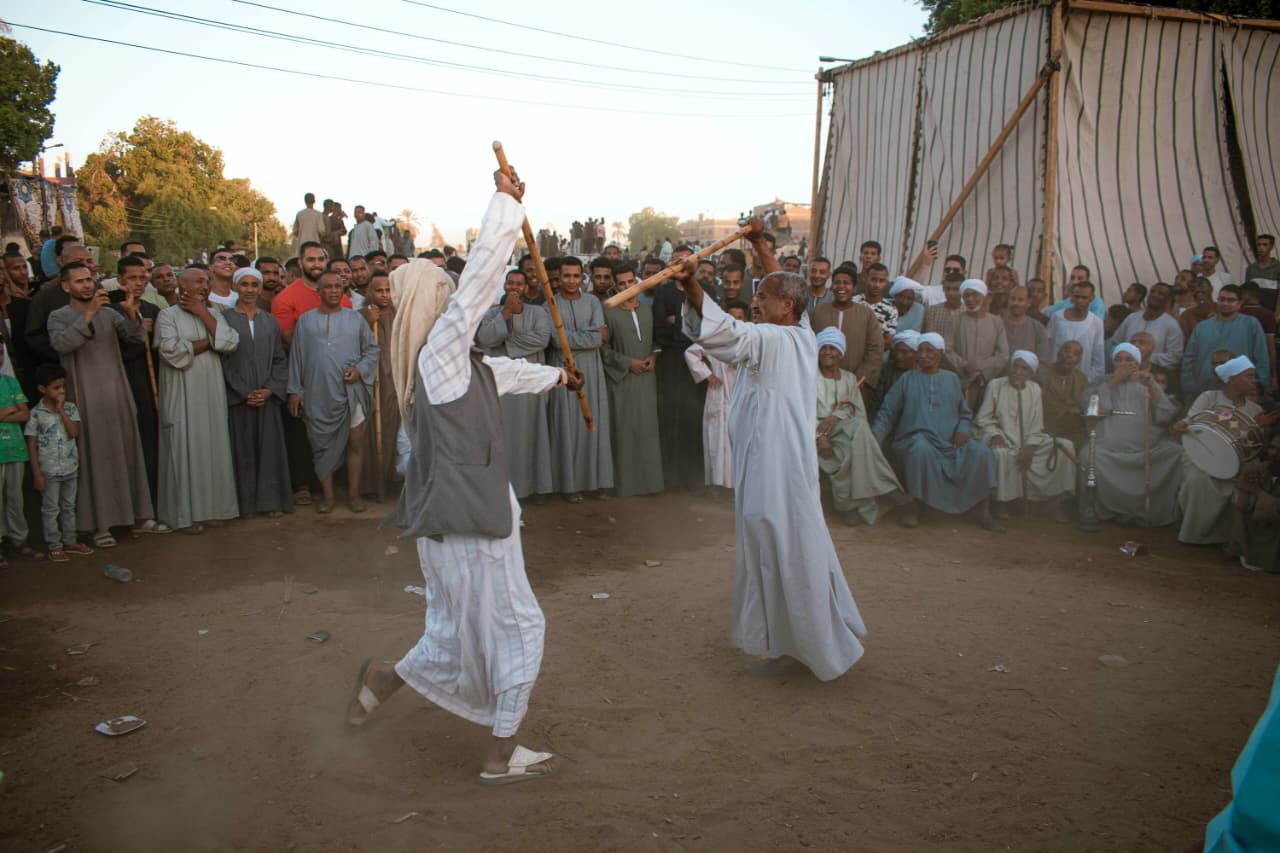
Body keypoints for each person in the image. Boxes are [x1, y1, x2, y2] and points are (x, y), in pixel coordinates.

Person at [348, 169, 585, 785]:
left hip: (448, 526)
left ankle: (381, 681)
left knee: (453, 631)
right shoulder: (440, 354)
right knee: (521, 627)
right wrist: (506, 205)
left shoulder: (448, 365)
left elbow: (504, 373)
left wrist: (558, 377)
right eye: (446, 292)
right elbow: (481, 280)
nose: (456, 298)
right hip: (473, 524)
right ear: (432, 303)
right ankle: (499, 757)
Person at [673, 221, 868, 681]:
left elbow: (727, 334)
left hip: (776, 474)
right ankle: (785, 643)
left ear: (788, 307)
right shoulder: (796, 330)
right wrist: (761, 245)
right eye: (756, 295)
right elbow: (782, 286)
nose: (755, 301)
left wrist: (692, 284)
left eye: (763, 297)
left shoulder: (776, 339)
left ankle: (813, 649)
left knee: (782, 550)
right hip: (767, 469)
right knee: (773, 549)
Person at [47, 262, 170, 547]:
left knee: (127, 452)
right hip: (85, 397)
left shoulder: (109, 314)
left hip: (117, 393)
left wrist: (131, 314)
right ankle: (98, 525)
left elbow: (135, 338)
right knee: (94, 458)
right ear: (66, 286)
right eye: (79, 281)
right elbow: (61, 344)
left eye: (89, 280)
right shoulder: (58, 316)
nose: (86, 285)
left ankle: (138, 517)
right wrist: (88, 315)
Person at [871, 332, 1002, 531]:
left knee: (981, 453)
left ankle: (983, 512)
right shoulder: (907, 379)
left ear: (940, 354)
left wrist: (962, 430)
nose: (923, 355)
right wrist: (874, 437)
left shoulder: (952, 379)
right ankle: (913, 508)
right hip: (916, 438)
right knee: (919, 451)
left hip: (950, 440)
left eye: (929, 351)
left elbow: (965, 414)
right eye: (920, 351)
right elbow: (887, 412)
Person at [156, 268, 240, 534]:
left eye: (207, 281)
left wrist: (203, 314)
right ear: (182, 285)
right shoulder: (167, 316)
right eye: (199, 281)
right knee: (183, 447)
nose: (205, 286)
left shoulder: (214, 314)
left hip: (211, 392)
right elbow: (171, 352)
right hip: (181, 392)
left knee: (213, 445)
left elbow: (230, 343)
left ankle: (214, 510)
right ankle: (186, 516)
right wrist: (210, 341)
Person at [287, 271, 379, 514]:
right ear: (318, 291)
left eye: (338, 286)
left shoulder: (355, 319)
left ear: (343, 289)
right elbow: (296, 358)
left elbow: (372, 351)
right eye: (327, 287)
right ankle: (328, 497)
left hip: (350, 392)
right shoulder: (305, 321)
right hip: (316, 392)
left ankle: (354, 495)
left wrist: (359, 370)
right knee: (321, 445)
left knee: (355, 441)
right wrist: (294, 390)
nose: (334, 291)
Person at [475, 269, 554, 501]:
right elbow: (485, 338)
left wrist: (505, 342)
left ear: (526, 288)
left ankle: (534, 488)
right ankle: (502, 490)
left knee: (531, 435)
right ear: (504, 286)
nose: (514, 288)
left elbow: (541, 339)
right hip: (502, 385)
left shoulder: (538, 313)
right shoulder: (492, 313)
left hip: (530, 383)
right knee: (503, 436)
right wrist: (506, 312)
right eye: (510, 283)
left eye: (519, 284)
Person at [1085, 343, 1183, 526]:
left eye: (1128, 359)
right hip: (1109, 448)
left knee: (1177, 454)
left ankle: (1153, 513)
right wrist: (1114, 381)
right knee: (1087, 455)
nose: (1123, 364)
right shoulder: (1102, 381)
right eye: (1118, 360)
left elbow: (1165, 415)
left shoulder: (1147, 381)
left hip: (1146, 448)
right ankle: (1099, 511)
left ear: (1137, 363)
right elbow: (1091, 408)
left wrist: (1152, 385)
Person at [221, 268, 293, 518]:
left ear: (260, 288)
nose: (250, 290)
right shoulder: (225, 319)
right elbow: (224, 361)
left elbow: (279, 359)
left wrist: (270, 390)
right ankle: (245, 505)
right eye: (245, 284)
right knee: (242, 450)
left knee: (269, 450)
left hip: (266, 396)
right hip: (239, 398)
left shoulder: (269, 321)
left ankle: (270, 502)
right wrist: (244, 391)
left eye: (254, 285)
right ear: (236, 287)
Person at [815, 327, 904, 526]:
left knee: (855, 436)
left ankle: (850, 506)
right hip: (814, 433)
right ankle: (886, 488)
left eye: (833, 348)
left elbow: (858, 413)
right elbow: (802, 413)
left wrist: (837, 416)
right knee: (853, 446)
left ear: (840, 353)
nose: (828, 352)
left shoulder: (849, 378)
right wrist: (821, 436)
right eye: (823, 348)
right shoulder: (808, 378)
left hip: (845, 430)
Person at [974, 351, 1075, 521]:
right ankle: (1002, 502)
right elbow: (983, 418)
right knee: (1001, 453)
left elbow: (1037, 425)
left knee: (1064, 446)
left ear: (1031, 374)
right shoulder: (995, 385)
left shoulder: (1035, 389)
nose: (1018, 372)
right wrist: (994, 435)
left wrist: (1030, 446)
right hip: (1003, 438)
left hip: (1030, 440)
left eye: (1024, 369)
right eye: (1015, 366)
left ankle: (1053, 503)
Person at [1173, 355, 1263, 545]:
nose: (1254, 380)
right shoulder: (1209, 397)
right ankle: (1194, 536)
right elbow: (1191, 421)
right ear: (1232, 379)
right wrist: (1182, 424)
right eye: (1248, 376)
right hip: (1200, 458)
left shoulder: (1255, 410)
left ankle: (1228, 540)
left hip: (1238, 466)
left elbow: (1255, 445)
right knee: (1197, 481)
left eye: (1254, 376)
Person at [547, 257, 613, 501]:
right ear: (559, 277)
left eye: (576, 276)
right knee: (567, 426)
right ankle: (569, 486)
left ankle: (596, 482)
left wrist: (575, 337)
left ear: (583, 277)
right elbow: (557, 341)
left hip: (591, 371)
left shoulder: (593, 301)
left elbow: (602, 338)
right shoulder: (549, 304)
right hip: (563, 371)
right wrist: (590, 335)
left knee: (592, 424)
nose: (571, 281)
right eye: (566, 276)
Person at [107, 256, 162, 504]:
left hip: (151, 384)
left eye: (142, 278)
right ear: (120, 280)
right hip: (125, 382)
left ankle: (154, 501)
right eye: (132, 278)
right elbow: (116, 352)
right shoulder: (111, 311)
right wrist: (138, 331)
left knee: (152, 440)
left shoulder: (152, 310)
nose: (138, 283)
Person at [24, 364, 91, 562]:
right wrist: (37, 474)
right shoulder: (36, 413)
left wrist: (61, 410)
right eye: (56, 387)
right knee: (51, 509)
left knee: (69, 506)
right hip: (49, 470)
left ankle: (70, 541)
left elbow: (74, 432)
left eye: (63, 386)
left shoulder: (70, 408)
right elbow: (32, 445)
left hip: (70, 467)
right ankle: (54, 546)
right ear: (42, 389)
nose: (61, 391)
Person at [602, 287, 663, 497]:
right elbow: (603, 348)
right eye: (622, 283)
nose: (627, 287)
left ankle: (651, 485)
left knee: (648, 430)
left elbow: (657, 340)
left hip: (647, 378)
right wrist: (627, 363)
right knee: (624, 430)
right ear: (615, 285)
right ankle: (626, 486)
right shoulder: (608, 312)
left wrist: (654, 357)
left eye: (631, 282)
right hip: (622, 378)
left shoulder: (647, 310)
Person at [650, 263, 706, 492]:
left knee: (695, 420)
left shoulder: (705, 290)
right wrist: (684, 326)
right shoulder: (663, 293)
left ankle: (695, 479)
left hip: (699, 365)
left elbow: (707, 328)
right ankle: (671, 478)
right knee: (671, 418)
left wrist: (678, 322)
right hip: (672, 364)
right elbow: (660, 330)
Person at [683, 301, 745, 491]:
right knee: (718, 440)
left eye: (740, 317)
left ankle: (738, 485)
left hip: (742, 396)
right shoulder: (715, 338)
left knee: (740, 441)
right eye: (732, 317)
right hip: (720, 395)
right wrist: (707, 375)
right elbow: (691, 352)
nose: (735, 321)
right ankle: (717, 485)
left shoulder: (750, 339)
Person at [354, 270, 401, 500]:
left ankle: (389, 479)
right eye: (379, 290)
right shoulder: (359, 316)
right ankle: (371, 484)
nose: (384, 295)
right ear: (369, 292)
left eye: (388, 290)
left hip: (393, 383)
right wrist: (367, 321)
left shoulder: (398, 313)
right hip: (369, 383)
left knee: (391, 429)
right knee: (368, 433)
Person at [1182, 284, 1270, 399]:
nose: (1225, 303)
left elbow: (1261, 358)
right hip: (1204, 390)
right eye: (1222, 299)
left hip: (1240, 392)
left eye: (1231, 300)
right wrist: (1189, 387)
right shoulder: (1202, 327)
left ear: (1239, 303)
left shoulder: (1250, 324)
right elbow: (1189, 359)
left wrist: (1260, 388)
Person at [809, 264, 883, 387]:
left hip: (855, 383)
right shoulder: (818, 312)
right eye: (837, 282)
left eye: (846, 283)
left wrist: (862, 377)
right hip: (820, 381)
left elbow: (875, 348)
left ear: (854, 288)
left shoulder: (866, 314)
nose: (841, 286)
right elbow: (807, 343)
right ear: (832, 286)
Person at [946, 279, 1010, 410]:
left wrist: (980, 368)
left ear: (985, 296)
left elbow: (1003, 354)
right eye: (966, 296)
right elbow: (947, 350)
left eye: (975, 294)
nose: (970, 299)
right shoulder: (955, 320)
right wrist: (964, 366)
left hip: (987, 382)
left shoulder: (996, 322)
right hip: (960, 382)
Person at [1109, 282, 1183, 372]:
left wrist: (1144, 358)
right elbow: (1115, 343)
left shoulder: (1172, 325)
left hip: (1153, 374)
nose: (1155, 295)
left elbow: (1174, 357)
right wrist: (1123, 358)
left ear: (1168, 300)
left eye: (1160, 294)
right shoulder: (1132, 318)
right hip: (1124, 372)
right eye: (1152, 292)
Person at [0, 344, 30, 564]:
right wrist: (11, 410)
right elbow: (17, 411)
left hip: (15, 448)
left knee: (15, 497)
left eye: (0, 353)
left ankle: (19, 539)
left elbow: (25, 414)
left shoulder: (10, 382)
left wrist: (4, 414)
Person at [1047, 281, 1107, 382]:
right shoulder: (1057, 317)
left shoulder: (1096, 323)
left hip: (1082, 381)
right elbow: (1048, 347)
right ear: (1072, 297)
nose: (1079, 300)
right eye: (1077, 296)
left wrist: (1086, 381)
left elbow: (1098, 356)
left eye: (1084, 297)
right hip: (1055, 379)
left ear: (1091, 298)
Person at [1042, 340, 1089, 450]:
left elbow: (1085, 407)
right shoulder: (1043, 374)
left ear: (1079, 360)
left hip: (1075, 433)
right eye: (1066, 351)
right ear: (1058, 352)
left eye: (1075, 354)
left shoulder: (1082, 379)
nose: (1069, 355)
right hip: (1047, 431)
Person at [1002, 285, 1051, 370]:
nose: (1015, 303)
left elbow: (1043, 361)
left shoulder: (1038, 328)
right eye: (1012, 299)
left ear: (1028, 302)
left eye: (1020, 300)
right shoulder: (997, 324)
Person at [853, 262, 897, 346]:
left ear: (886, 282)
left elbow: (887, 341)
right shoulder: (853, 303)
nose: (877, 285)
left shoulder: (891, 310)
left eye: (881, 281)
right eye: (873, 279)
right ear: (866, 279)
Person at [922, 264, 965, 336]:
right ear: (943, 289)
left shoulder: (967, 312)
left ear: (963, 290)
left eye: (955, 289)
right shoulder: (932, 311)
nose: (950, 293)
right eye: (948, 289)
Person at [1246, 233, 1280, 310]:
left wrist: (1278, 312)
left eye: (1265, 245)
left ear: (1271, 247)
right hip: (1254, 311)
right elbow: (1247, 292)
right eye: (1259, 245)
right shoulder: (1251, 268)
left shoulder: (1277, 267)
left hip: (1272, 311)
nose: (1261, 247)